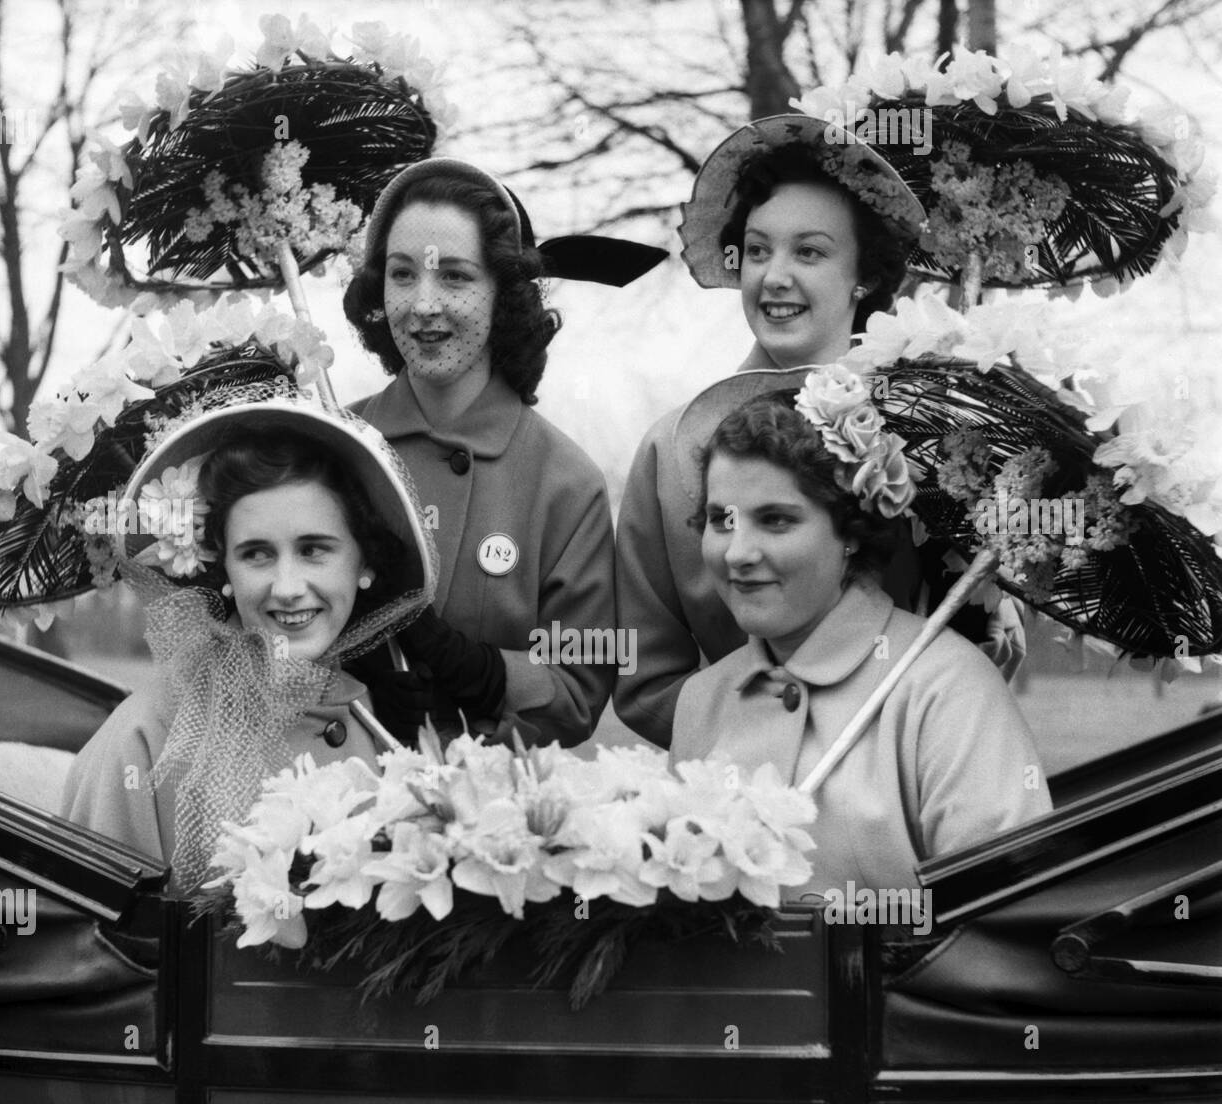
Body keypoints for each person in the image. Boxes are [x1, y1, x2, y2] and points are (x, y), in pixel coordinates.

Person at [615, 114, 1024, 749]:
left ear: (866, 273)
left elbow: (978, 639)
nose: (774, 276)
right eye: (757, 251)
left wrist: (986, 620)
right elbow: (646, 680)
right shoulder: (671, 452)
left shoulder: (935, 436)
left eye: (809, 251)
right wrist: (769, 747)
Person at [670, 379, 1051, 896]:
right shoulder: (701, 699)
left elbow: (1002, 910)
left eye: (776, 520)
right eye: (721, 520)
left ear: (850, 532)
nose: (737, 553)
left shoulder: (948, 688)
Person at [61, 395, 436, 896]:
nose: (288, 587)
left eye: (313, 550)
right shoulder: (145, 739)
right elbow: (96, 931)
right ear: (225, 570)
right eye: (257, 554)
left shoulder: (374, 719)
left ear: (364, 563)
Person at [343, 157, 636, 748]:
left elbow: (580, 689)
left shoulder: (566, 481)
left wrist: (484, 674)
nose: (423, 304)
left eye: (454, 277)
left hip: (491, 794)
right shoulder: (335, 445)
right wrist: (354, 685)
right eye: (402, 275)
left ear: (504, 294)